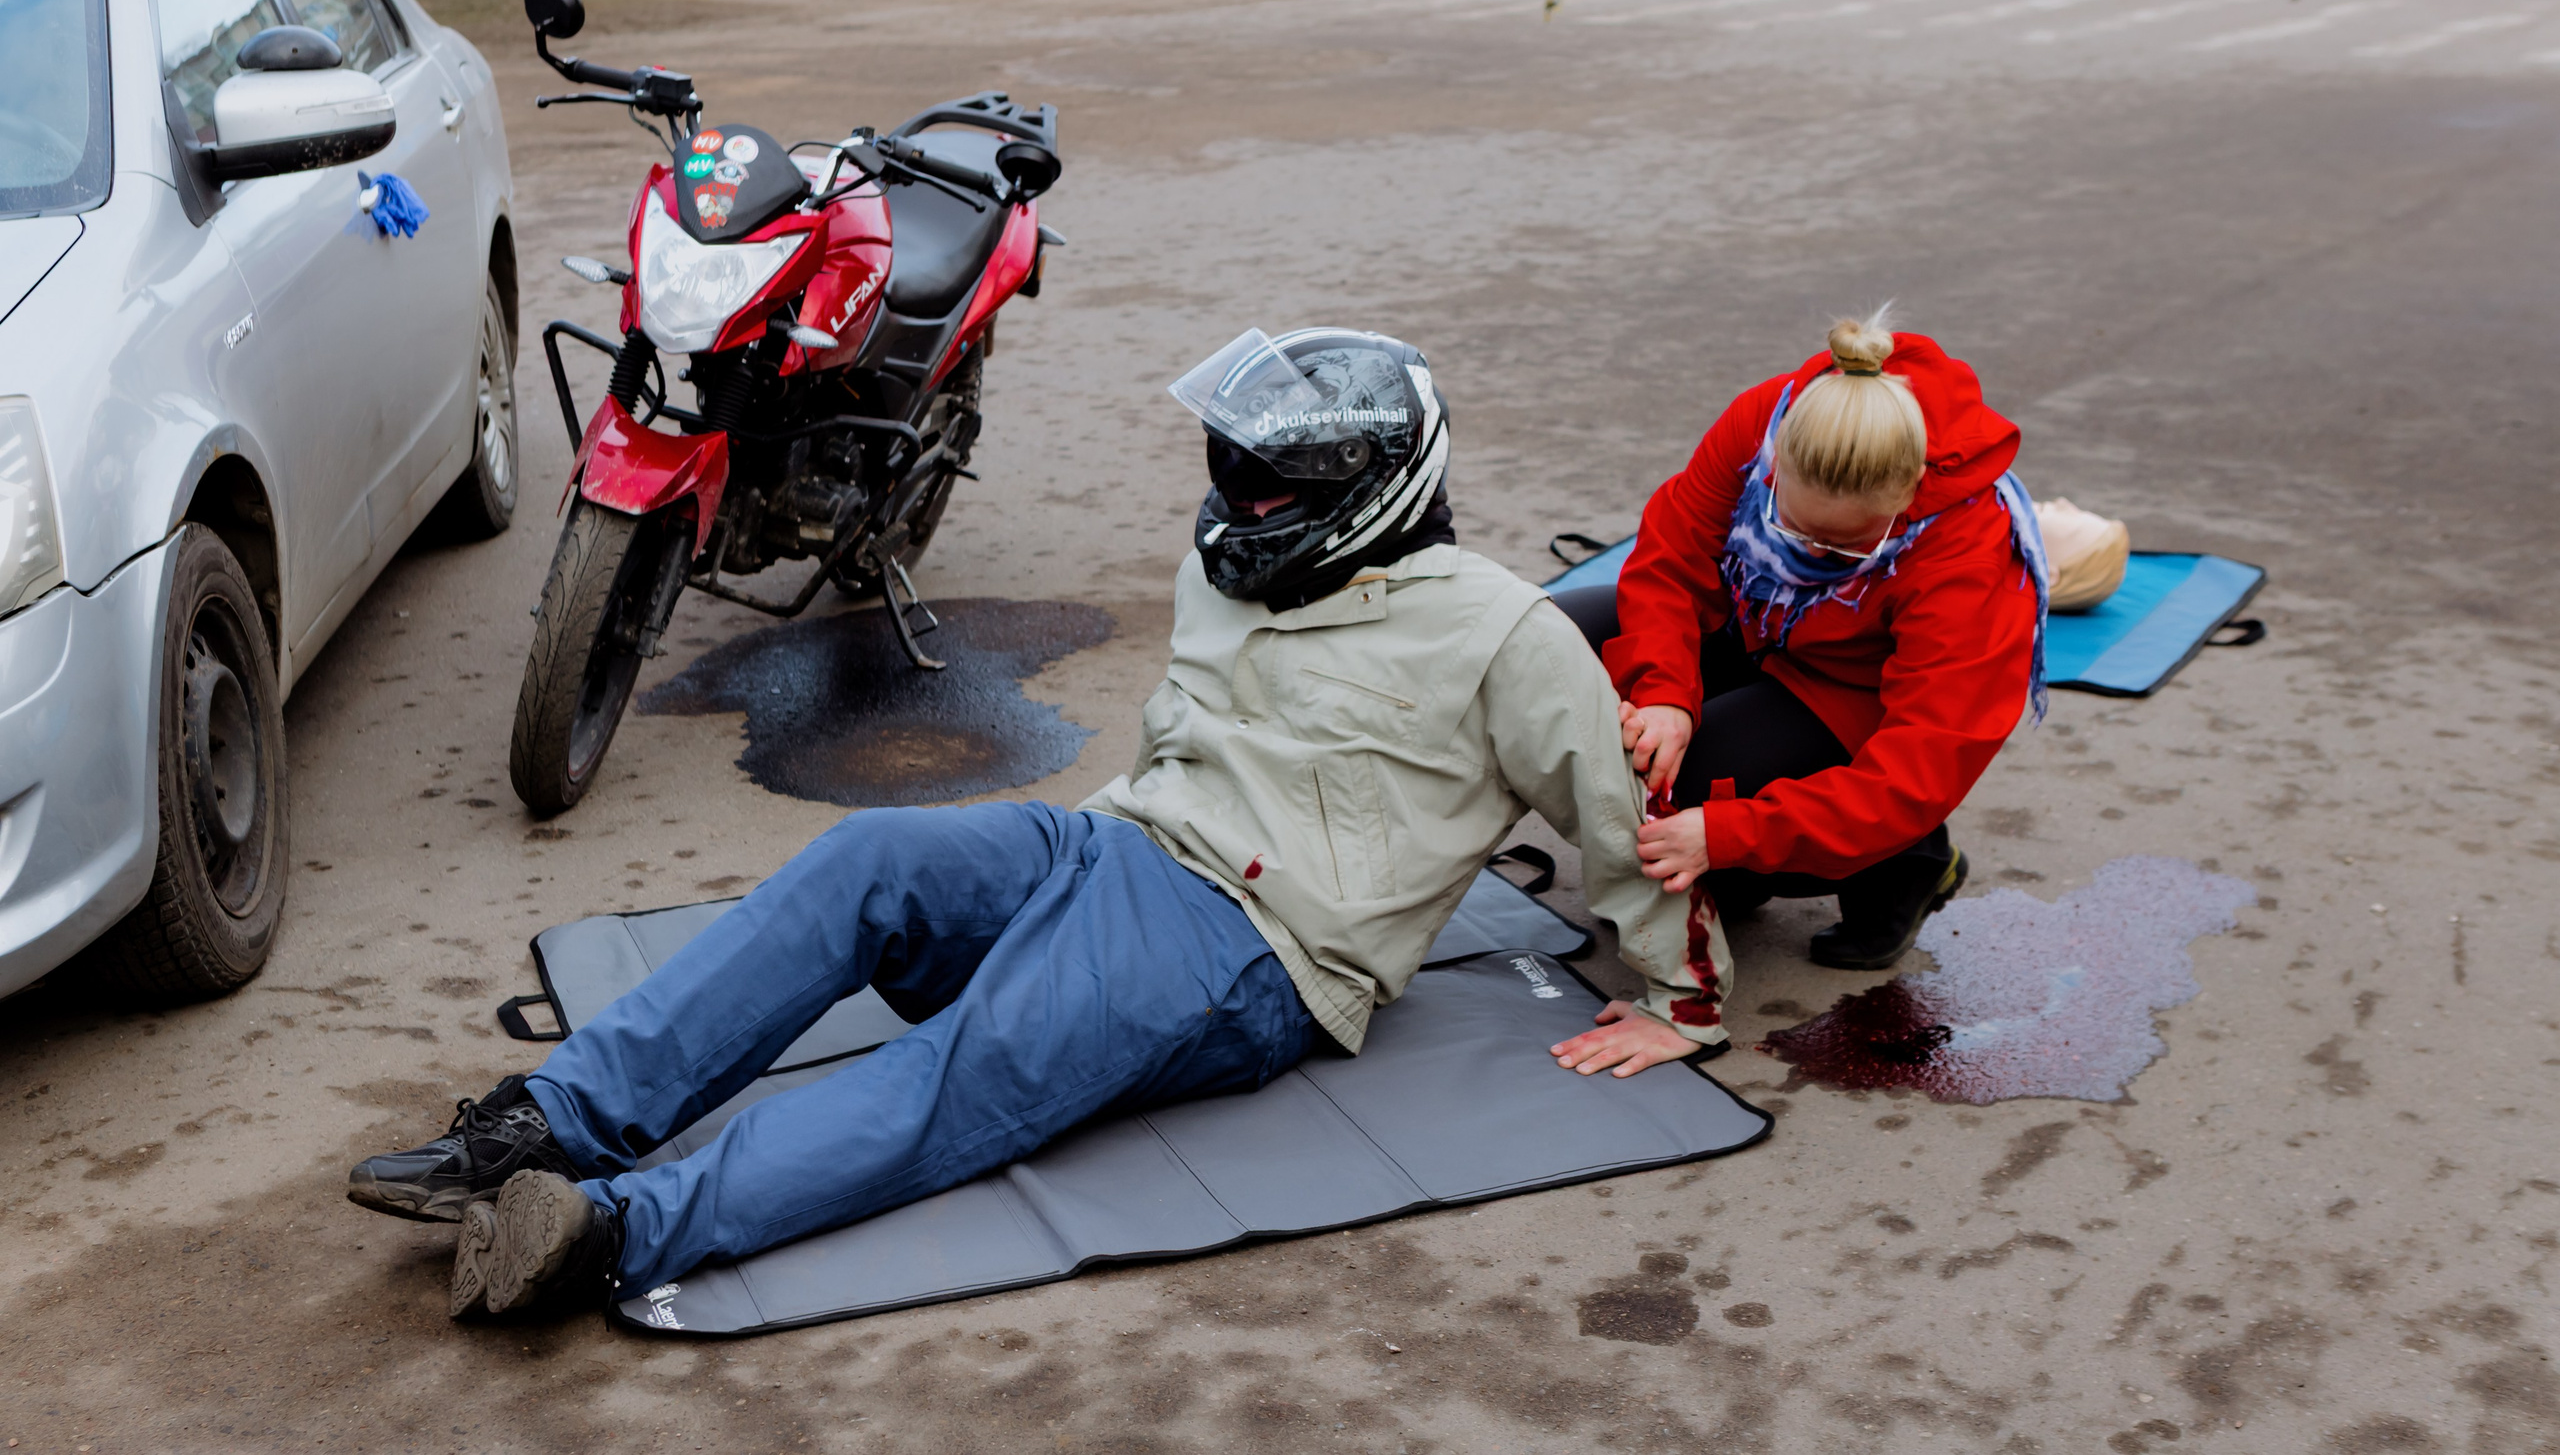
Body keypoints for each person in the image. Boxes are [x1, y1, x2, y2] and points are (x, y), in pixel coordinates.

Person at [346, 328, 1727, 1319]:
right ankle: (546, 1123)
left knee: (966, 1065)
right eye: (1234, 470)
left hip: (1255, 948)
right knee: (868, 859)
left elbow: (1621, 812)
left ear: (1366, 493)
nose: (1240, 503)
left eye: (1273, 487)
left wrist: (1681, 994)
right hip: (1113, 842)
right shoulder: (1230, 562)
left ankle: (606, 1233)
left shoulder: (1502, 635)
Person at [1553, 312, 2047, 973]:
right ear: (1777, 461)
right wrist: (1664, 691)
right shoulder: (1766, 418)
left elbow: (1918, 770)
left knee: (1679, 795)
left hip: (1848, 691)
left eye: (1843, 548)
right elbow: (1670, 558)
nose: (1811, 555)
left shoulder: (1971, 555)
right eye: (1792, 530)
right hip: (1749, 623)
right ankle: (1734, 866)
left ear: (1907, 499)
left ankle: (1907, 862)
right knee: (1551, 644)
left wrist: (1729, 835)